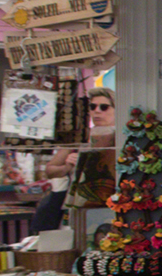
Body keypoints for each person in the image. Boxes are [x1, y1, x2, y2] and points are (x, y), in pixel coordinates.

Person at [31, 87, 115, 233]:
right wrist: (67, 167)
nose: (97, 111)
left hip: (111, 203)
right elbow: (50, 170)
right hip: (79, 205)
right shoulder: (80, 137)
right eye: (92, 107)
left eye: (104, 107)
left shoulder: (121, 137)